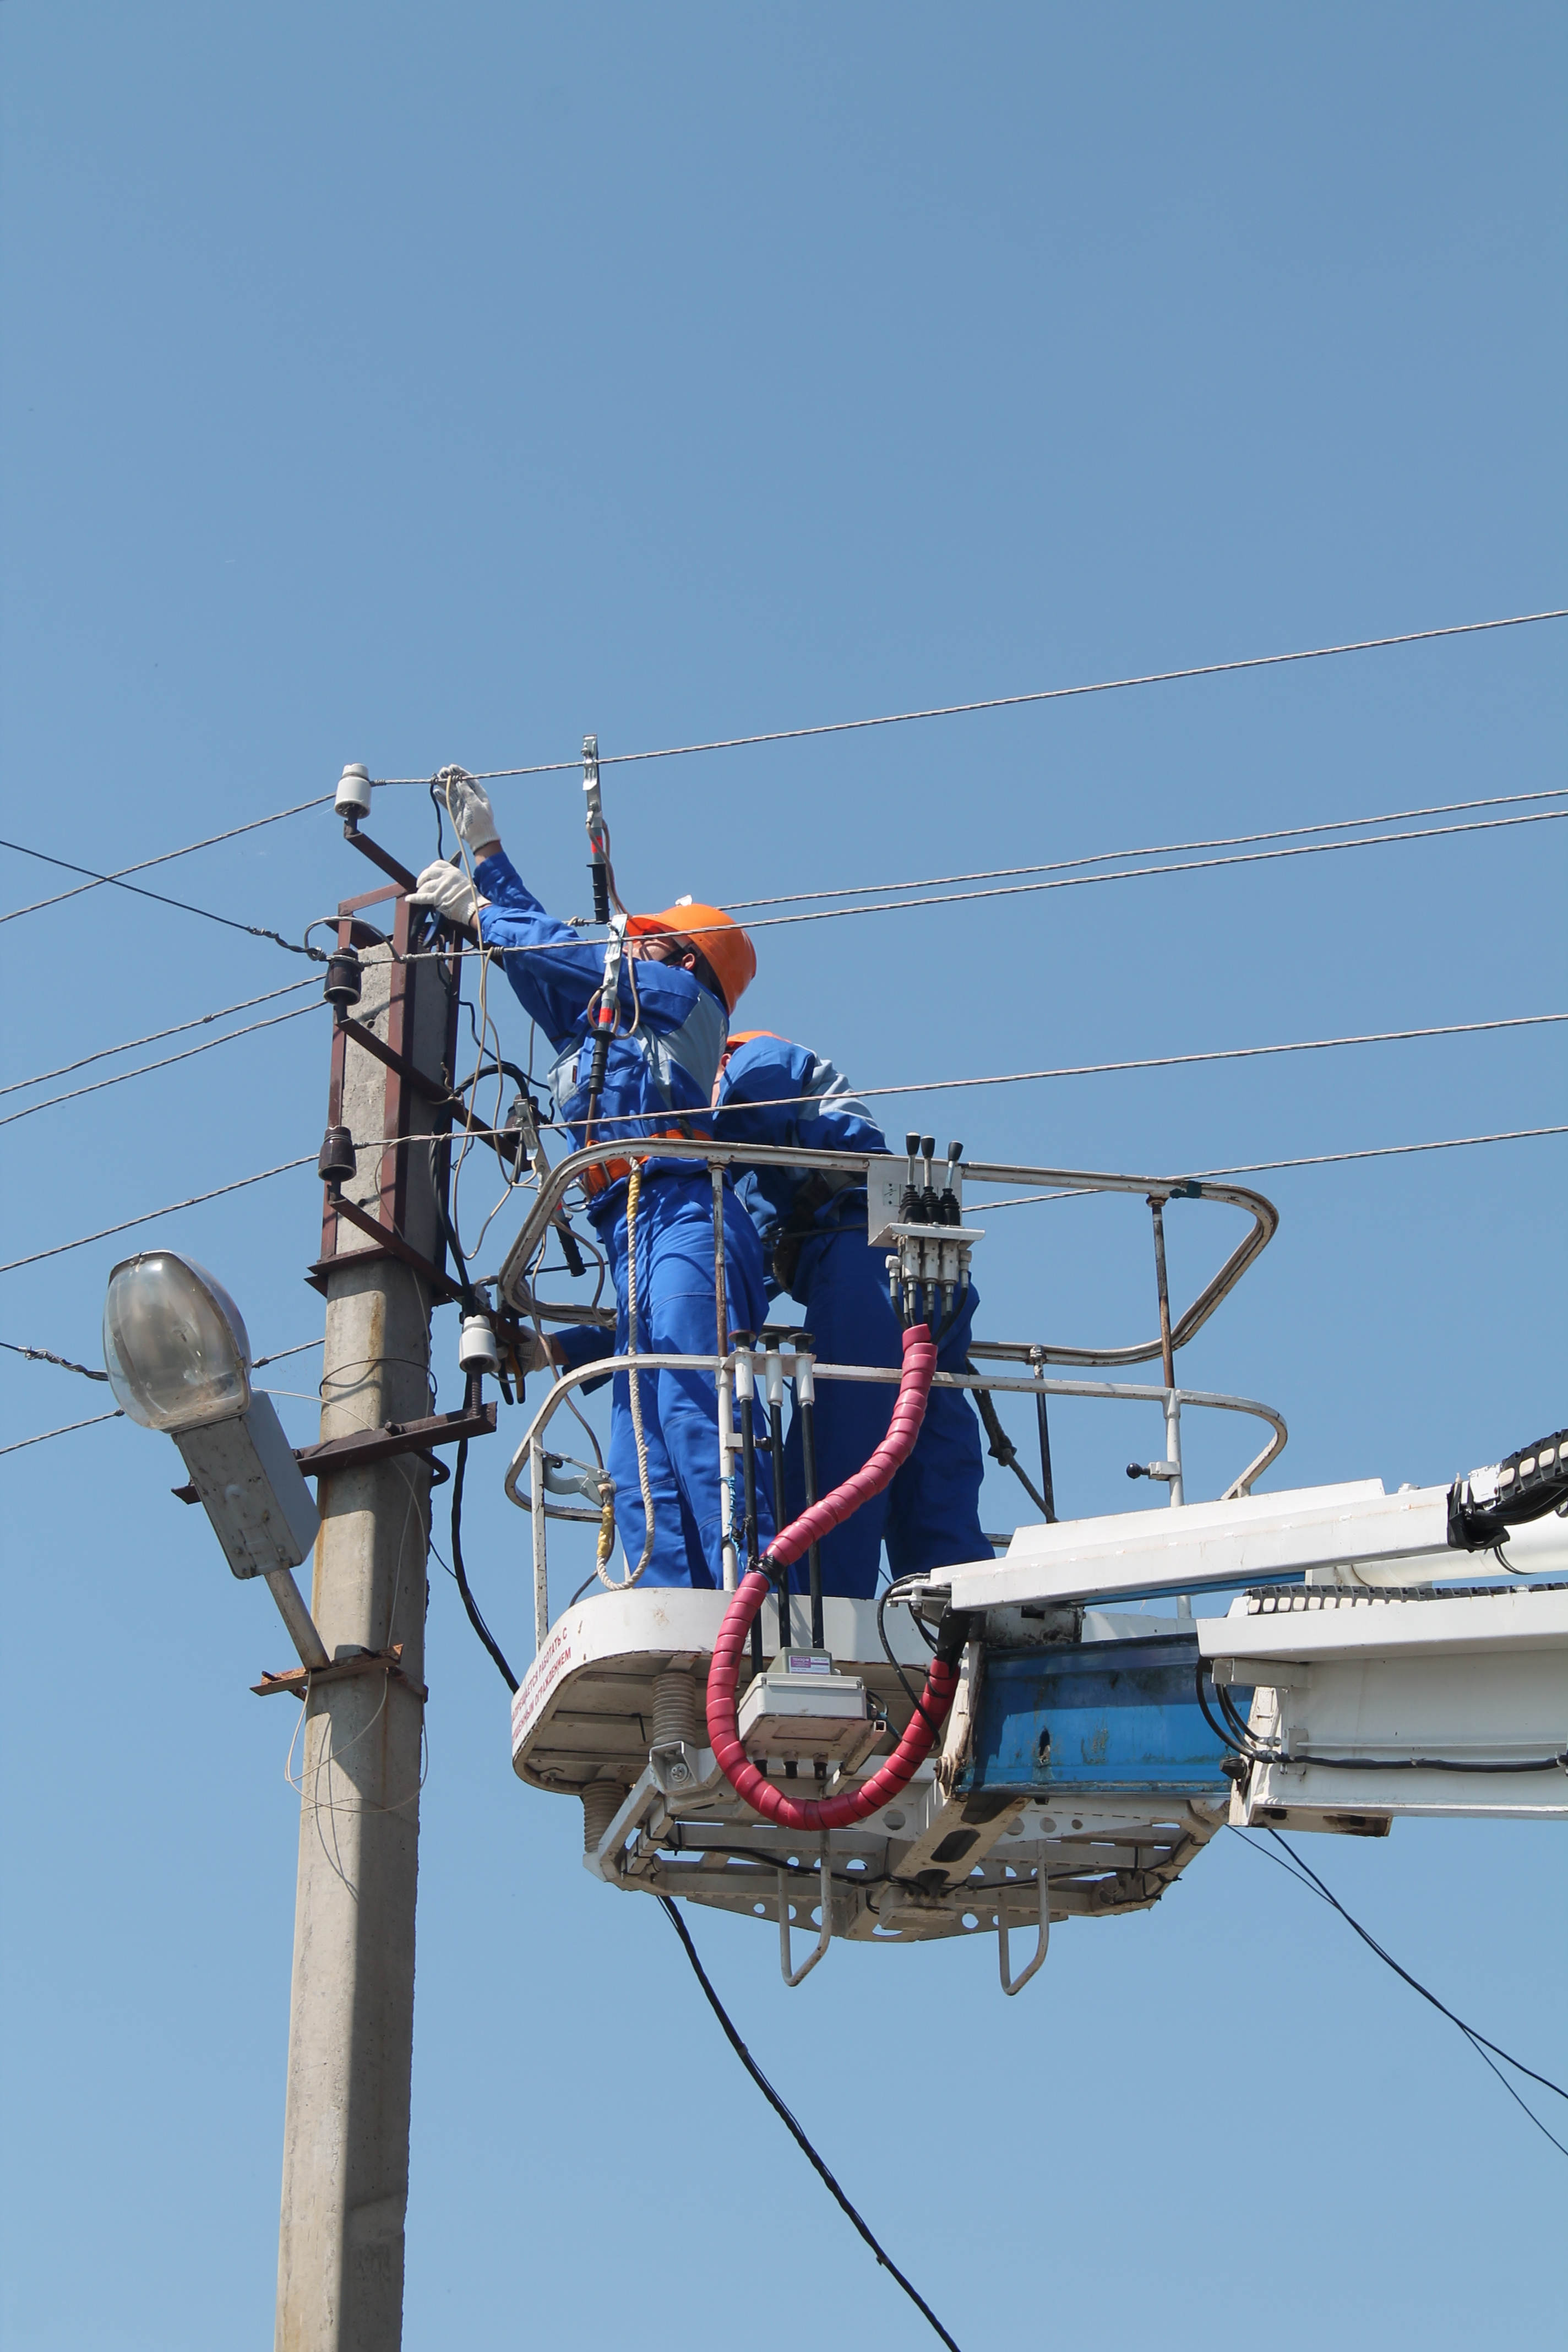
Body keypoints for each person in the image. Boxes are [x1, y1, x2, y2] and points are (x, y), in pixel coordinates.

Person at [407, 781, 771, 1591]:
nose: (629, 944)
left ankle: (753, 1604)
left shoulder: (681, 1001)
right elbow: (549, 976)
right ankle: (678, 1624)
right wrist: (492, 863)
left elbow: (565, 959)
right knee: (639, 1435)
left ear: (686, 957)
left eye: (646, 941)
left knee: (691, 1405)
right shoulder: (614, 1021)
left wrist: (480, 910)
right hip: (636, 1230)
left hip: (685, 1211)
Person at [712, 1031, 987, 1599]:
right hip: (921, 1270)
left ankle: (820, 1617)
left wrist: (669, 1133)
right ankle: (953, 1611)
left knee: (841, 1454)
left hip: (864, 1258)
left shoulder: (754, 1057)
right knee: (931, 1458)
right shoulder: (767, 1168)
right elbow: (723, 1298)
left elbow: (750, 1100)